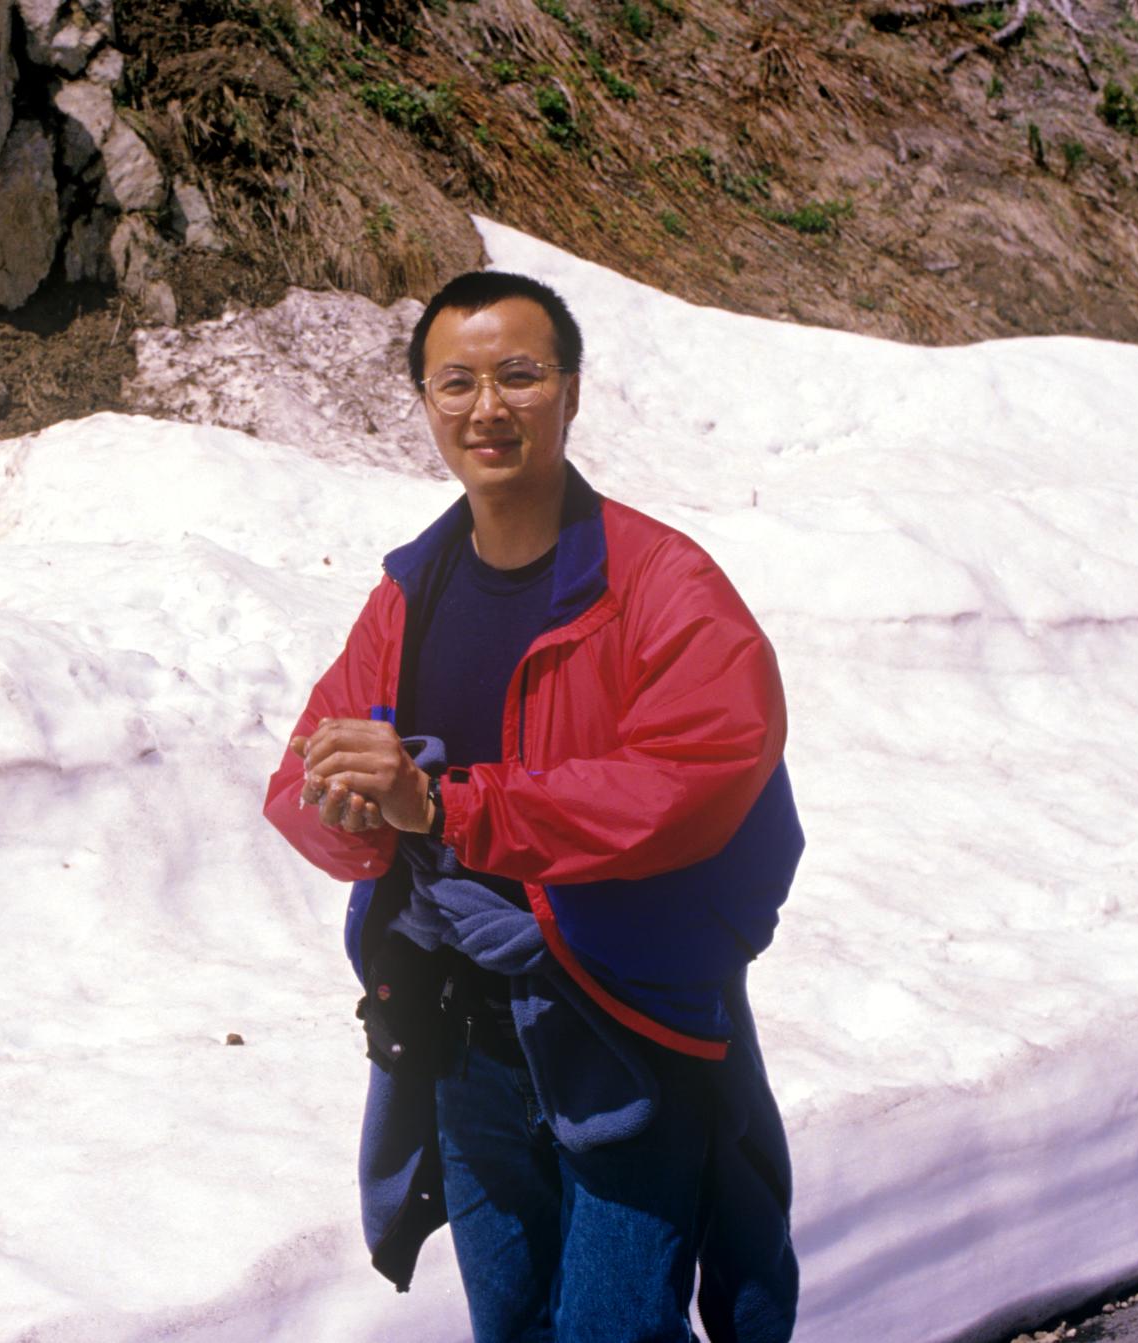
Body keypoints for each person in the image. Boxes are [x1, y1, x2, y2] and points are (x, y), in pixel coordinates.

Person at [261, 271, 805, 1342]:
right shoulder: (412, 590)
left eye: (518, 375)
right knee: (509, 1324)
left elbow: (693, 777)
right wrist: (348, 801)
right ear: (422, 401)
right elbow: (300, 775)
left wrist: (450, 807)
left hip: (620, 1023)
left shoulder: (660, 580)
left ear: (569, 390)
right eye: (454, 382)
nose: (486, 407)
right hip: (464, 1035)